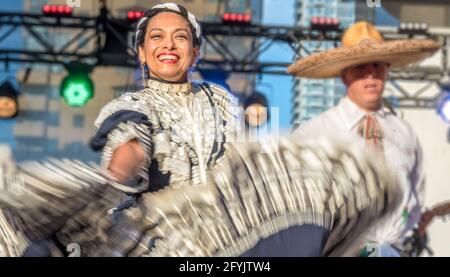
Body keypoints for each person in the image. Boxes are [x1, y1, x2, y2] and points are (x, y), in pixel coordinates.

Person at [0, 7, 400, 257]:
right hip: (160, 243)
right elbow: (130, 145)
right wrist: (117, 174)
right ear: (141, 52)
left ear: (195, 51)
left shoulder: (222, 101)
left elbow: (239, 170)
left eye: (180, 37)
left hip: (229, 235)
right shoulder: (131, 106)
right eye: (156, 37)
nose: (168, 45)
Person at [289, 21, 440, 256]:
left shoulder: (404, 133)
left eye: (377, 66)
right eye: (360, 67)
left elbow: (416, 194)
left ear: (387, 70)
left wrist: (404, 236)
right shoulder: (315, 132)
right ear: (345, 76)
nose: (370, 75)